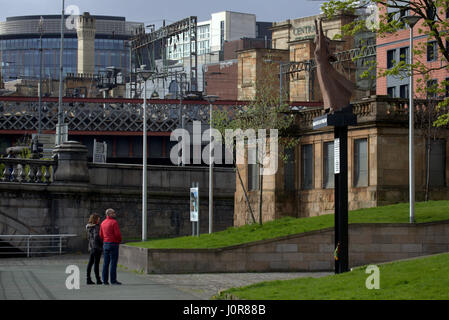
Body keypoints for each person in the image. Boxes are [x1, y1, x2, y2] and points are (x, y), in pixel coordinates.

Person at [99, 208, 122, 285]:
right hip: (113, 243)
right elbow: (117, 234)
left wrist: (105, 240)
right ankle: (113, 280)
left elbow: (101, 235)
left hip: (105, 243)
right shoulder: (114, 222)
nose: (114, 214)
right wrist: (119, 241)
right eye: (113, 213)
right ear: (109, 214)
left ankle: (104, 280)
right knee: (113, 263)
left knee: (106, 263)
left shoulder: (103, 223)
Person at [86, 213, 103, 285]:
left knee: (90, 263)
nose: (99, 220)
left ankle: (88, 278)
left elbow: (89, 237)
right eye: (98, 218)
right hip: (96, 247)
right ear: (95, 219)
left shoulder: (88, 227)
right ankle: (98, 279)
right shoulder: (96, 227)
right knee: (96, 264)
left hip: (91, 247)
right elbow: (96, 236)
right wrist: (101, 242)